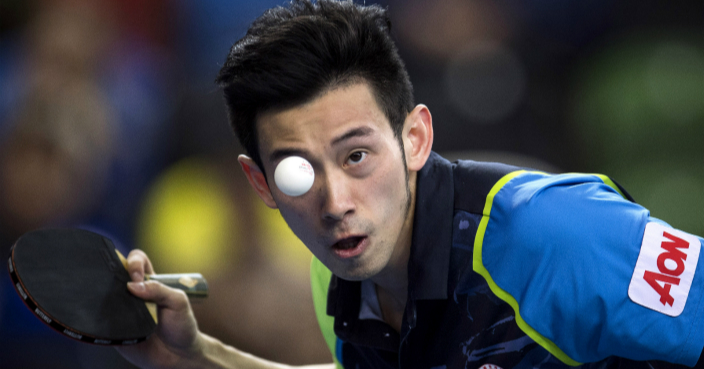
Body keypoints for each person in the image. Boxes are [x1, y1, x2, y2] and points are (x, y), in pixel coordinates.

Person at [117, 1, 704, 368]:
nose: (336, 203)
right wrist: (199, 357)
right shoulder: (341, 272)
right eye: (298, 171)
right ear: (262, 183)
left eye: (357, 155)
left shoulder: (549, 235)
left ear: (416, 138)